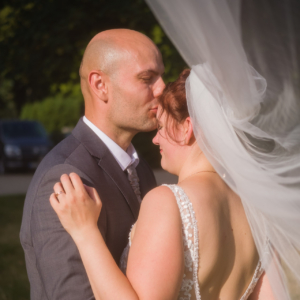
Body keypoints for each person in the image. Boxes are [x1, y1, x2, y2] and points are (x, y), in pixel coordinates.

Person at [50, 70, 275, 300]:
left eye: (160, 127)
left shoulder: (168, 202)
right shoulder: (257, 208)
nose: (155, 139)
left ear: (186, 128)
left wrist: (85, 232)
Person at [20, 29, 165, 299]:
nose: (162, 88)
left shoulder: (141, 168)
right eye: (147, 78)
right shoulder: (64, 176)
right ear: (100, 85)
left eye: (161, 76)